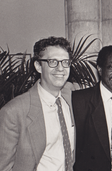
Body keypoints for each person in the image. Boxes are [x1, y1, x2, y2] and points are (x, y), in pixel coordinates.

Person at [0, 37, 75, 171]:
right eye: (53, 62)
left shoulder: (70, 97)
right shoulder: (13, 112)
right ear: (38, 66)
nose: (60, 68)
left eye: (65, 62)